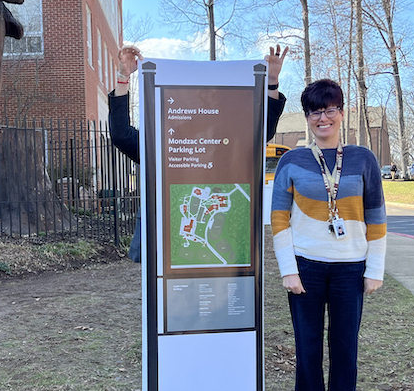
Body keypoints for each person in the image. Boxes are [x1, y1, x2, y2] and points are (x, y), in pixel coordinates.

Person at [270, 79, 386, 391]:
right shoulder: (292, 162)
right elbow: (280, 221)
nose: (323, 117)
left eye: (330, 109)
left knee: (345, 348)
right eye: (315, 111)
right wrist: (289, 269)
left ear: (341, 112)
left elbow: (376, 217)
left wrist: (375, 269)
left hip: (350, 268)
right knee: (307, 345)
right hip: (305, 267)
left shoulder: (362, 159)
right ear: (307, 118)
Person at [109, 43, 289, 261]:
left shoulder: (228, 140)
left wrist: (271, 83)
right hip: (165, 247)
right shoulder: (163, 141)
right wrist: (123, 77)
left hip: (215, 250)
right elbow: (121, 136)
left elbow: (262, 131)